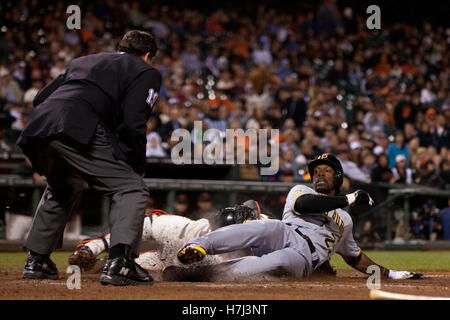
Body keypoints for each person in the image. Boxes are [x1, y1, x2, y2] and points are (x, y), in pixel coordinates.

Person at [16, 30, 162, 286]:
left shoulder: (84, 60)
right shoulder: (145, 70)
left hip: (38, 127)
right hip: (78, 124)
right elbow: (133, 123)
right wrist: (136, 165)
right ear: (148, 55)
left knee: (64, 187)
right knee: (132, 189)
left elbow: (40, 98)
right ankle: (121, 263)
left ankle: (37, 259)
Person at [165, 154, 423, 281]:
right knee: (263, 227)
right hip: (285, 232)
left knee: (270, 264)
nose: (319, 174)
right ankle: (199, 246)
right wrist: (351, 198)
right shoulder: (301, 190)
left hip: (303, 257)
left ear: (339, 178)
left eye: (327, 171)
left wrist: (390, 274)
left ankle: (201, 274)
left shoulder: (347, 220)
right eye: (316, 171)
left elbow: (355, 257)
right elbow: (306, 204)